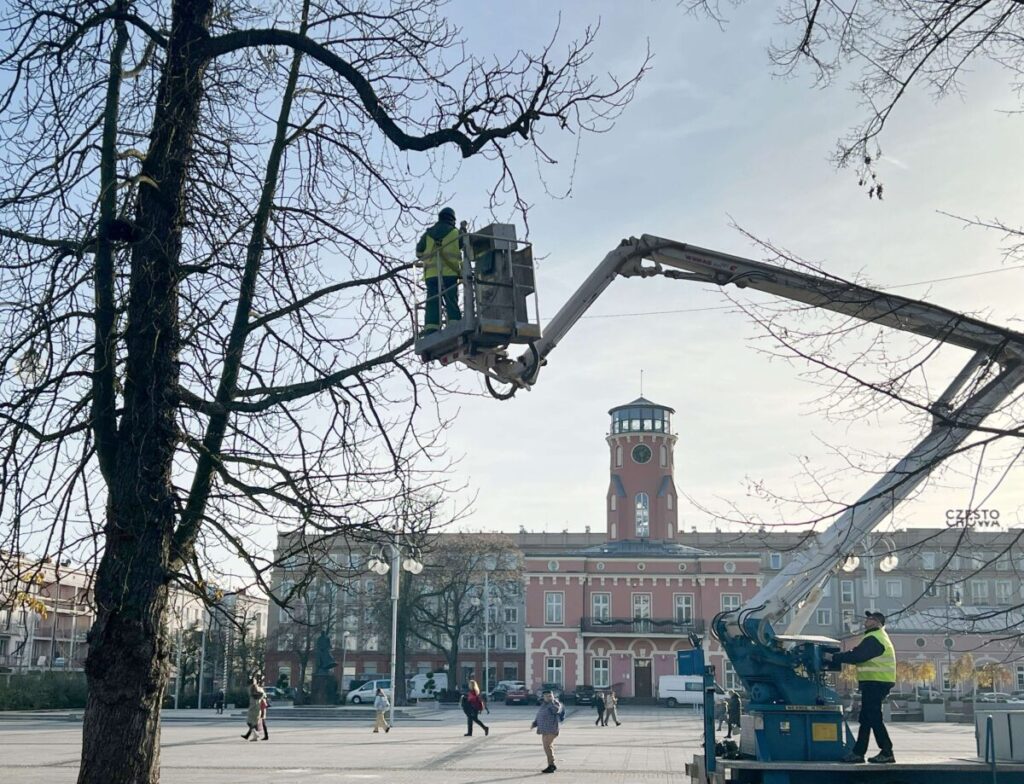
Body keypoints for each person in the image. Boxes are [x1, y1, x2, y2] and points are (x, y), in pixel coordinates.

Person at [824, 610, 897, 764]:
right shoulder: (875, 637)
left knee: (873, 717)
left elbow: (857, 655)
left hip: (876, 682)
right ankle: (859, 752)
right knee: (867, 717)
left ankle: (886, 751)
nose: (866, 620)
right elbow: (858, 654)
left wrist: (834, 657)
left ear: (878, 623)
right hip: (875, 682)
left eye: (870, 618)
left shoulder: (874, 638)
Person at [415, 206, 463, 335]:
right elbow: (465, 246)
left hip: (431, 275)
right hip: (449, 274)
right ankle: (454, 324)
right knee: (451, 300)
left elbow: (418, 252)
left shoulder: (428, 234)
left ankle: (431, 328)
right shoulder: (455, 233)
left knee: (432, 301)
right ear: (452, 220)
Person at [530, 688, 562, 774]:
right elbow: (539, 714)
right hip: (544, 730)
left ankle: (552, 765)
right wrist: (535, 723)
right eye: (546, 696)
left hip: (551, 729)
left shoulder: (555, 704)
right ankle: (551, 764)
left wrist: (551, 701)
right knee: (547, 747)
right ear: (543, 697)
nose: (548, 697)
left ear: (552, 696)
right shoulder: (544, 704)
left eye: (550, 696)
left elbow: (556, 710)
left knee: (548, 747)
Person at [241, 674, 265, 742]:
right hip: (257, 707)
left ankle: (255, 734)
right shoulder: (256, 688)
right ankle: (254, 736)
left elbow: (255, 694)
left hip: (253, 707)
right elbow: (261, 694)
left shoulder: (252, 687)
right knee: (254, 723)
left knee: (249, 722)